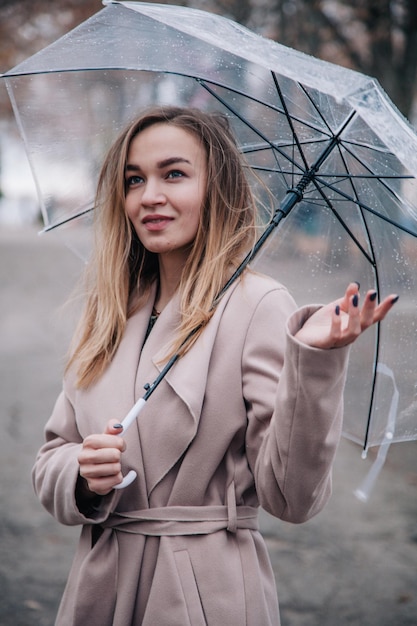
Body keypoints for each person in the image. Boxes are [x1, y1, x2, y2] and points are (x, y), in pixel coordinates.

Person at [32, 106, 397, 626]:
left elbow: (292, 498)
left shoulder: (258, 305)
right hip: (99, 590)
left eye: (174, 174)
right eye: (134, 179)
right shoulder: (110, 308)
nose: (149, 196)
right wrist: (83, 477)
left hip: (204, 596)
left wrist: (314, 363)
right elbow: (51, 456)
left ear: (217, 188)